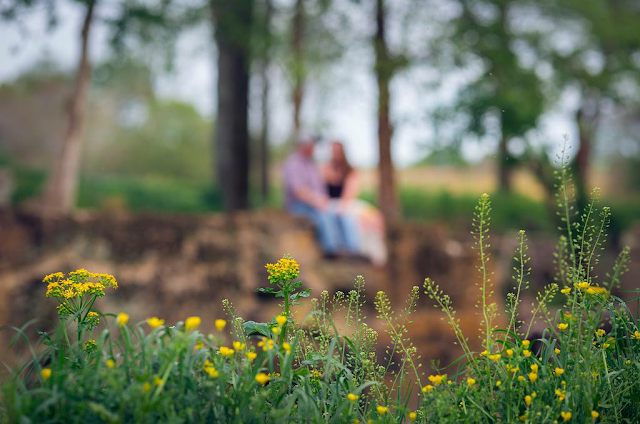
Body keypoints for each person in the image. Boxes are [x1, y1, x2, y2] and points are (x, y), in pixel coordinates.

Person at [283, 136, 360, 257]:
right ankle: (332, 250)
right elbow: (297, 190)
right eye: (312, 144)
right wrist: (317, 200)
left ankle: (351, 249)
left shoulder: (311, 164)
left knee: (342, 215)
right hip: (299, 205)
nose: (314, 147)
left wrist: (322, 200)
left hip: (321, 203)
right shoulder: (293, 164)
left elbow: (321, 189)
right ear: (305, 145)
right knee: (324, 214)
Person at [322, 140, 387, 265]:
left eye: (337, 151)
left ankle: (376, 256)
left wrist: (343, 206)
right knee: (349, 217)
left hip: (345, 203)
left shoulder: (350, 171)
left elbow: (349, 194)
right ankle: (353, 248)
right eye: (333, 151)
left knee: (373, 217)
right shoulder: (325, 169)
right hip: (330, 204)